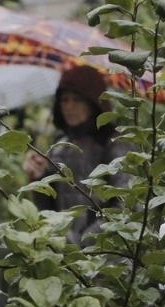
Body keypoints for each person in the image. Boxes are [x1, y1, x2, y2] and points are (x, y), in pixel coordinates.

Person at [23, 64, 130, 247]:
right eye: (65, 99)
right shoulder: (58, 147)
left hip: (110, 258)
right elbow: (48, 210)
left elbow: (126, 205)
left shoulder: (115, 142)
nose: (69, 106)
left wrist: (84, 242)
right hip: (68, 258)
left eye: (77, 99)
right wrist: (39, 177)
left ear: (93, 101)